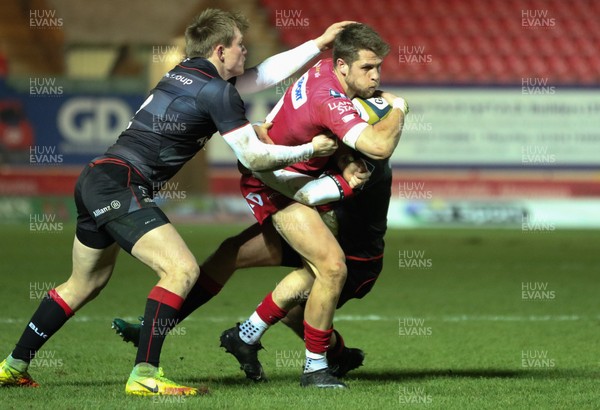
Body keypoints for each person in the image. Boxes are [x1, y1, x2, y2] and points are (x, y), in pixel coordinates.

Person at [0, 8, 351, 396]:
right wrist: (310, 148)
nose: (245, 51)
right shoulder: (218, 92)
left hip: (97, 178)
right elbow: (253, 157)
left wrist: (317, 45)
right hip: (123, 184)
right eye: (240, 45)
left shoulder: (187, 72)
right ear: (220, 51)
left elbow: (261, 76)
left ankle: (13, 366)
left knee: (85, 282)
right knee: (181, 270)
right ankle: (145, 375)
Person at [112, 149, 392, 384]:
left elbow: (320, 186)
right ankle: (156, 328)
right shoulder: (322, 121)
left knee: (295, 313)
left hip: (354, 256)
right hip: (310, 230)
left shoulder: (368, 154)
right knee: (230, 252)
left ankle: (332, 356)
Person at [228, 22, 407, 388]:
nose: (375, 77)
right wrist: (399, 108)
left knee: (312, 276)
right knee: (332, 269)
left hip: (277, 177)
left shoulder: (323, 70)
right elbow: (378, 147)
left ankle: (248, 336)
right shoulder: (334, 104)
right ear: (342, 65)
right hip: (280, 184)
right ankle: (315, 369)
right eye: (367, 68)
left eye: (378, 68)